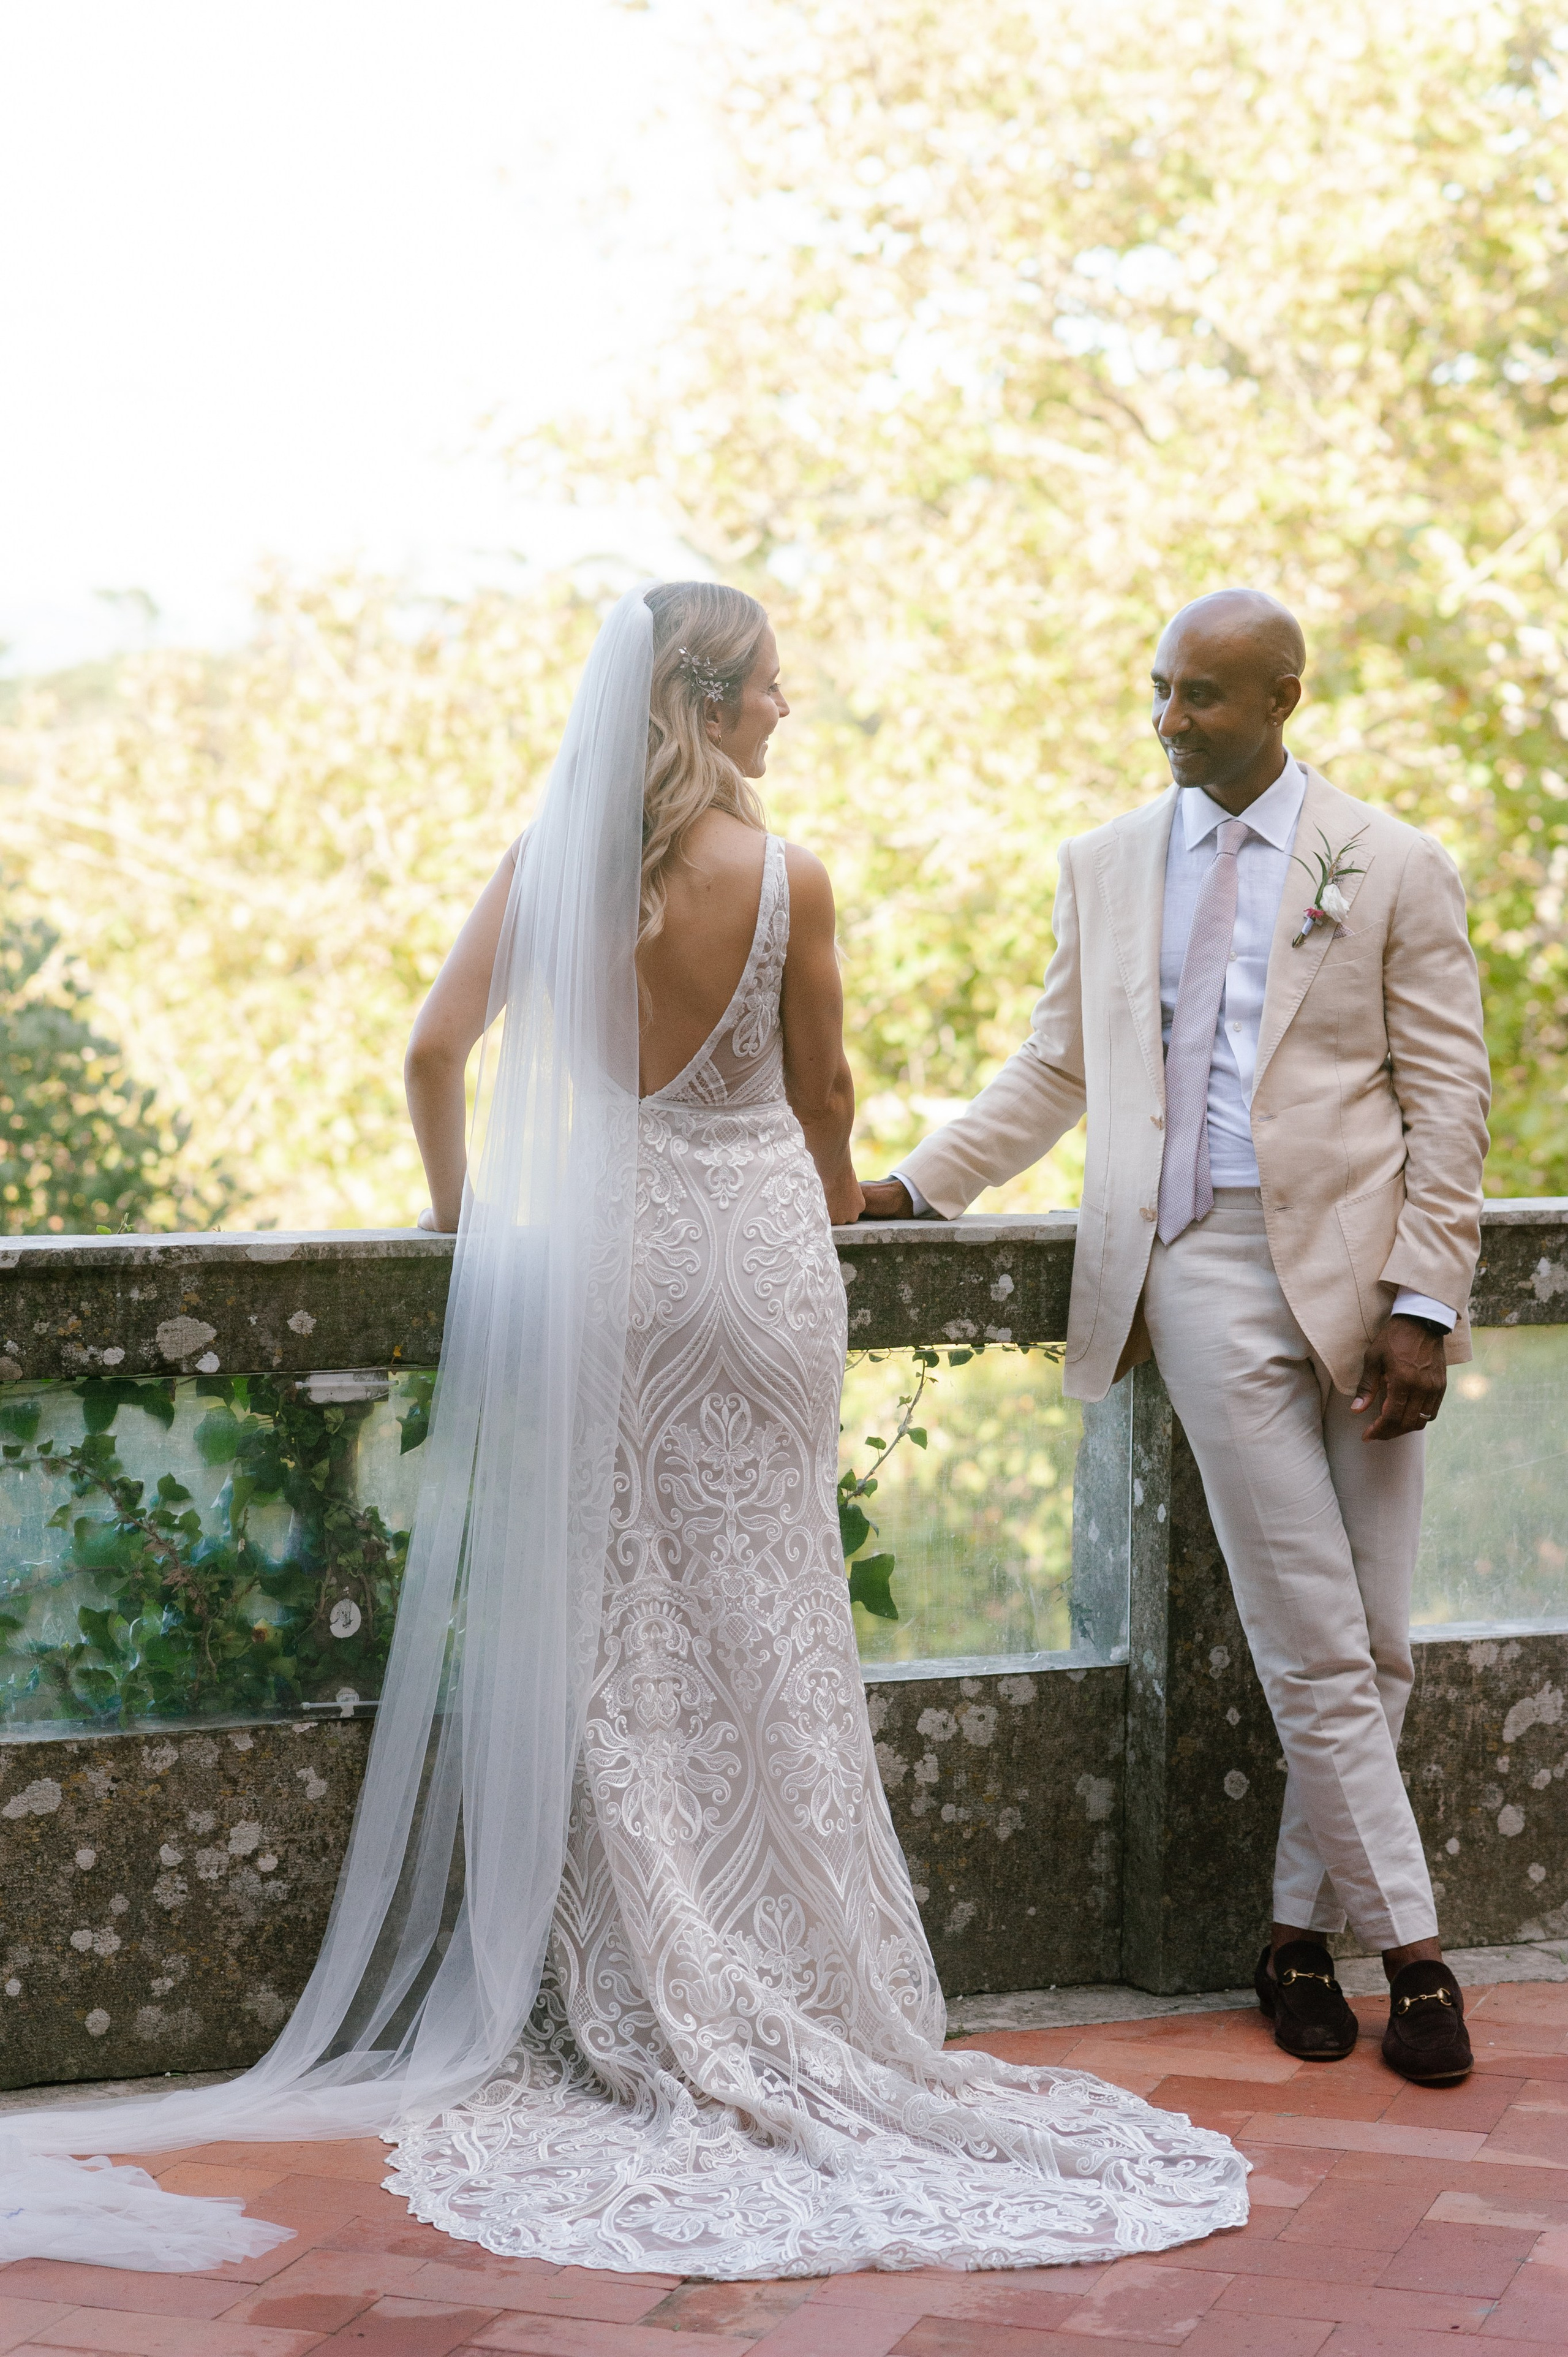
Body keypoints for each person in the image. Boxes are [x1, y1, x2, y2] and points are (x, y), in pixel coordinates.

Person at [0, 583, 1245, 2275]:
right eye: (774, 692)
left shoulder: (552, 867)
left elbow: (436, 1052)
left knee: (617, 1624)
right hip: (755, 1268)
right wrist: (820, 1200)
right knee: (774, 1612)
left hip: (597, 1275)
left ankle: (644, 1980)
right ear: (715, 703)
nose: (787, 715)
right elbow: (825, 1102)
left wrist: (463, 1224)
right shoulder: (785, 878)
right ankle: (807, 1980)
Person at [862, 590, 1490, 2084]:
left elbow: (1447, 1099)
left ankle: (1287, 1938)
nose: (1165, 721)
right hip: (1196, 1268)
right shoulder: (1101, 867)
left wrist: (1422, 1301)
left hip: (1358, 1281)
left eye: (1199, 697)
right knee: (1310, 1639)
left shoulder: (1388, 863)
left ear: (1280, 697)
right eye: (1156, 691)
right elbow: (1051, 1065)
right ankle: (1413, 1954)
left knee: (1377, 1646)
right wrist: (906, 1186)